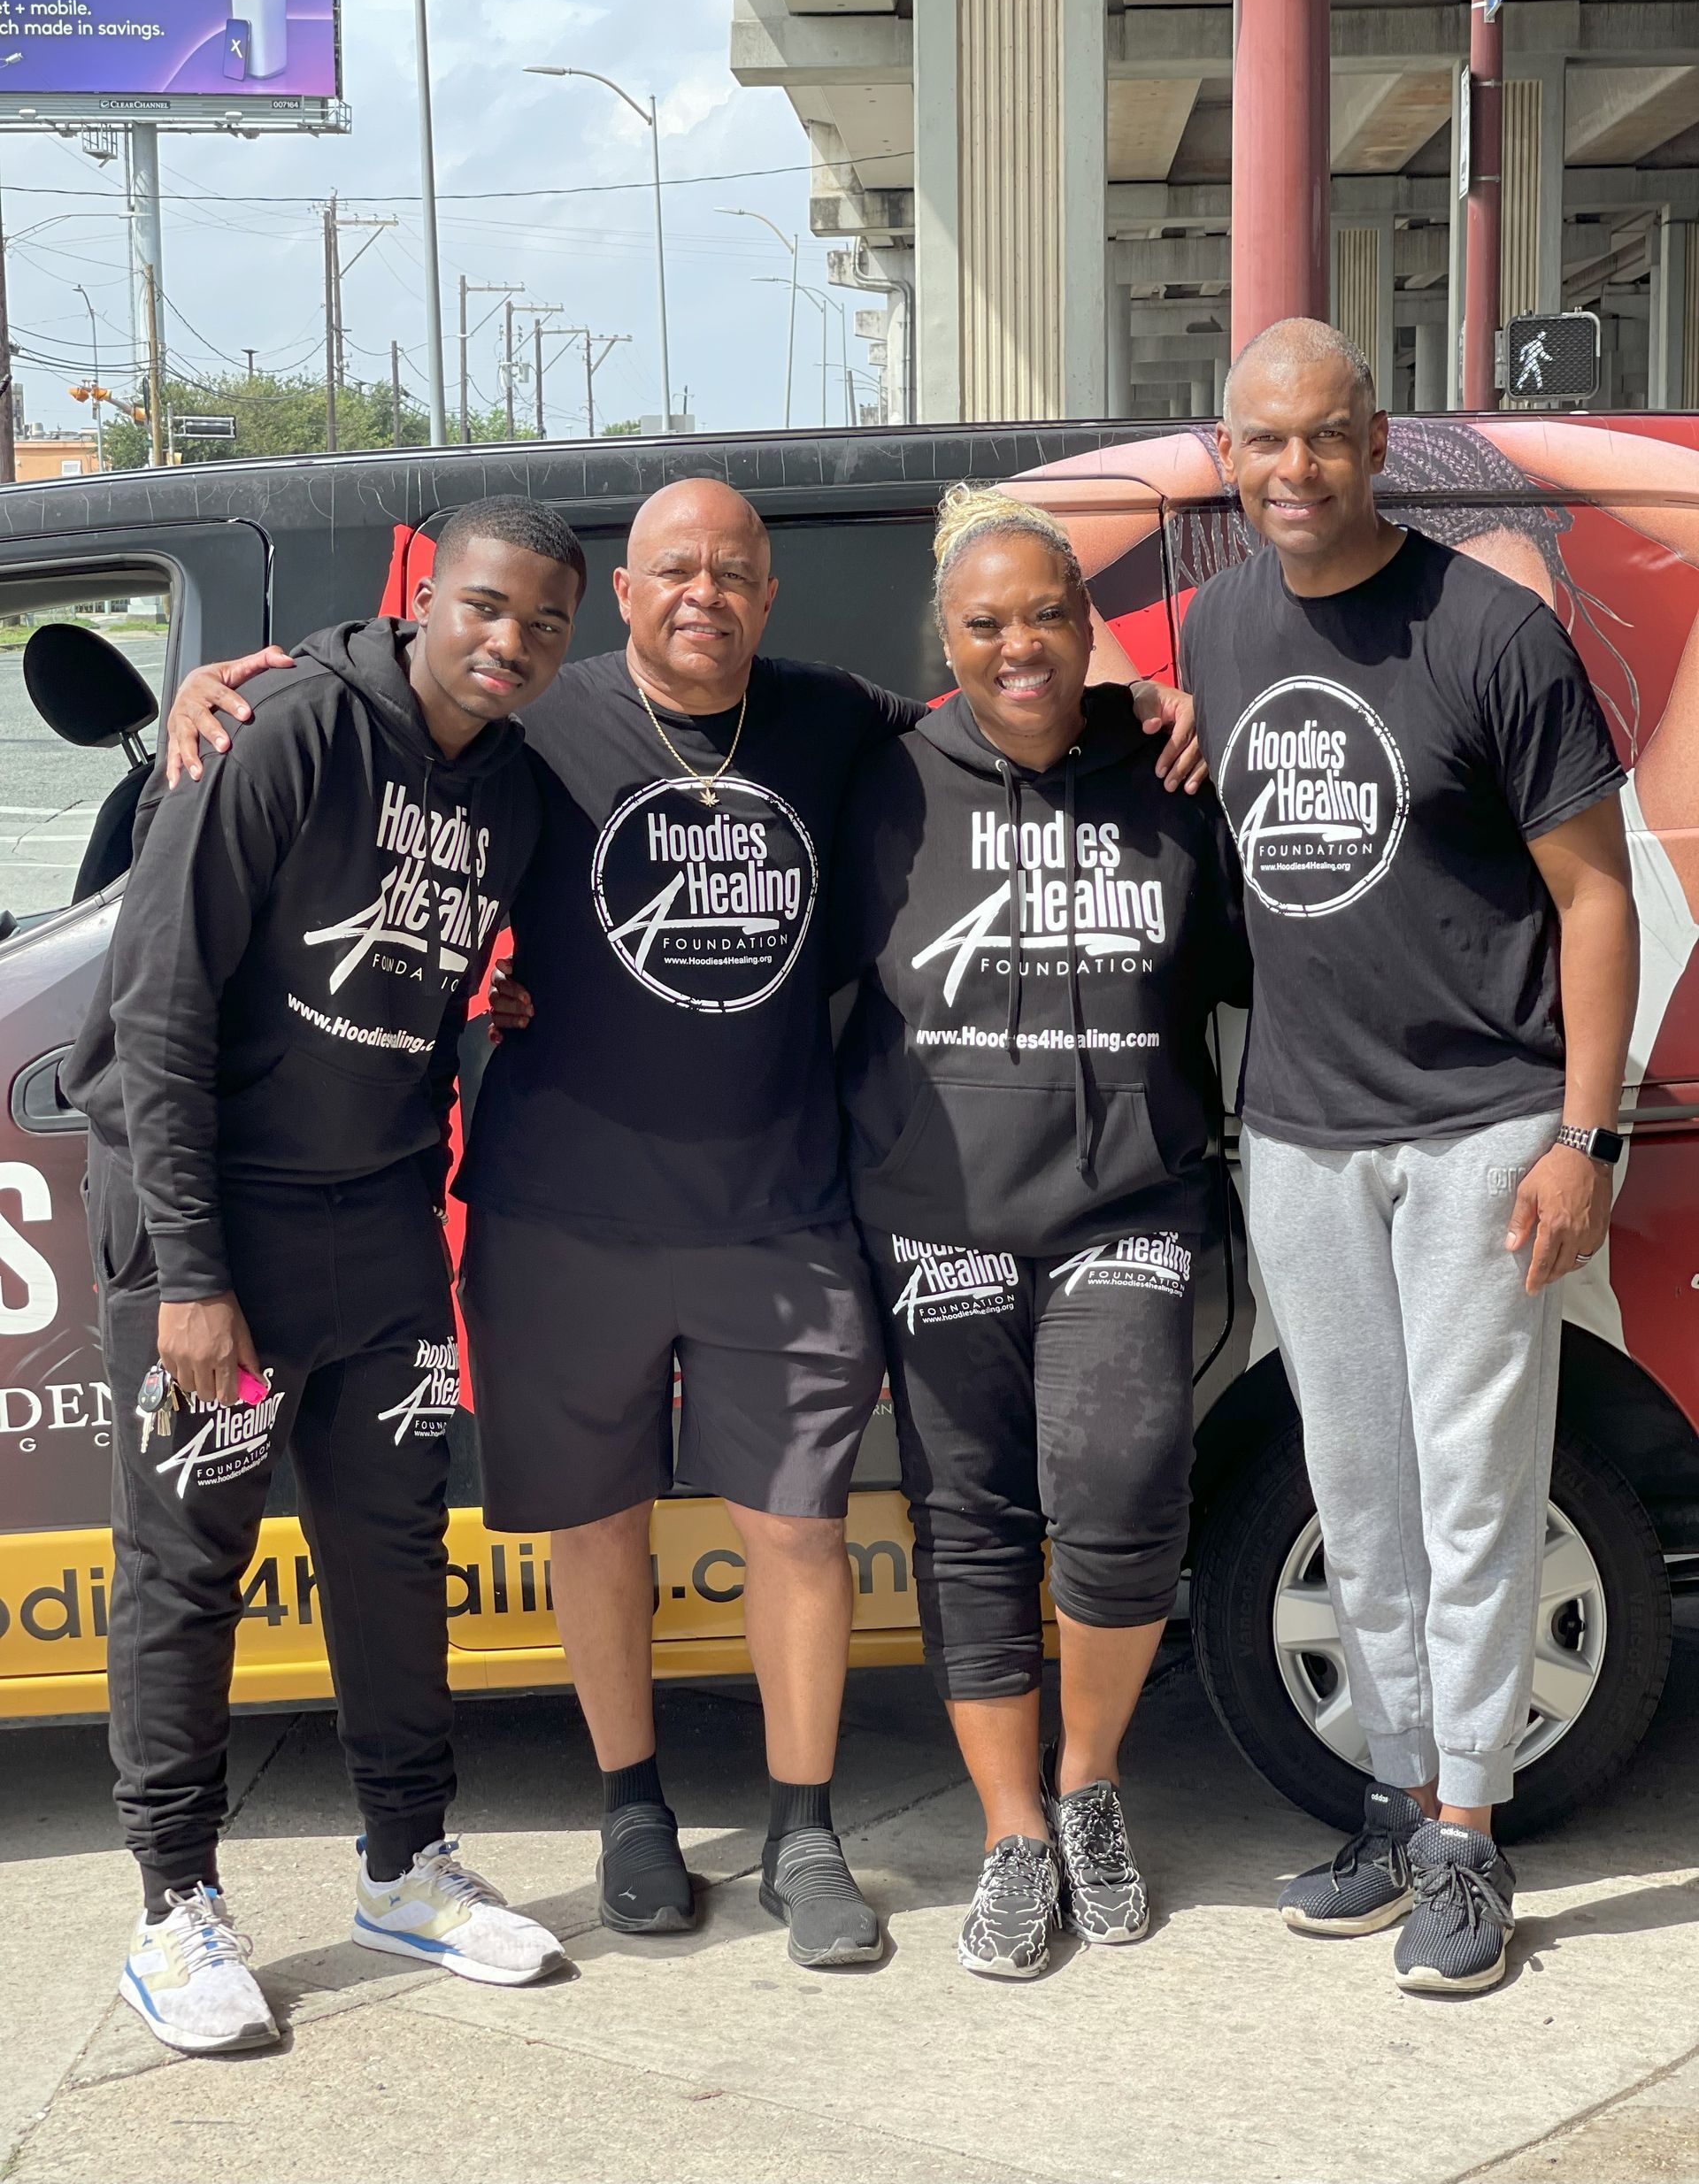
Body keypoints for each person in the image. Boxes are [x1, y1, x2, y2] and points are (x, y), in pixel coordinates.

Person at [169, 474, 1203, 1975]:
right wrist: (233, 703)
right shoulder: (538, 722)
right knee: (595, 1527)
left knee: (795, 1527)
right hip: (559, 1207)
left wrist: (1145, 691)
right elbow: (394, 759)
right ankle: (632, 1810)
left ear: (769, 597)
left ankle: (803, 1829)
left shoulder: (840, 721)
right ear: (623, 596)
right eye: (671, 571)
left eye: (732, 572)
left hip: (777, 1205)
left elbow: (1009, 684)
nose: (703, 595)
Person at [64, 497, 583, 2054]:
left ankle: (404, 1864)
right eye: (488, 607)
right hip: (210, 1231)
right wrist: (189, 1281)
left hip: (378, 1230)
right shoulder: (287, 730)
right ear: (430, 596)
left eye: (546, 624)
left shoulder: (516, 798)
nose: (511, 642)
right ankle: (174, 1906)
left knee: (393, 1549)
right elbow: (156, 1008)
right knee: (184, 1571)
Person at [1177, 320, 1638, 1995]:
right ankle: (1391, 1792)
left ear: (1373, 444)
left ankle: (1467, 1839)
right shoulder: (1223, 627)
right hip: (1302, 1134)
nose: (1290, 470)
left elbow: (1598, 897)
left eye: (1321, 439)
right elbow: (1122, 721)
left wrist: (1580, 1138)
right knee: (1356, 1482)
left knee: (1474, 1486)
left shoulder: (1492, 631)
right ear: (1227, 456)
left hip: (1482, 1130)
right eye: (1259, 443)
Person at [832, 486, 1250, 1978]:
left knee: (1125, 1477)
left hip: (1129, 1193)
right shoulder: (879, 782)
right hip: (936, 1209)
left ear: (1091, 627)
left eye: (1048, 615)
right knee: (972, 1521)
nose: (1021, 644)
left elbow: (1276, 954)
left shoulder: (1169, 767)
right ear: (943, 637)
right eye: (986, 621)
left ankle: (1088, 1786)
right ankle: (1009, 1833)